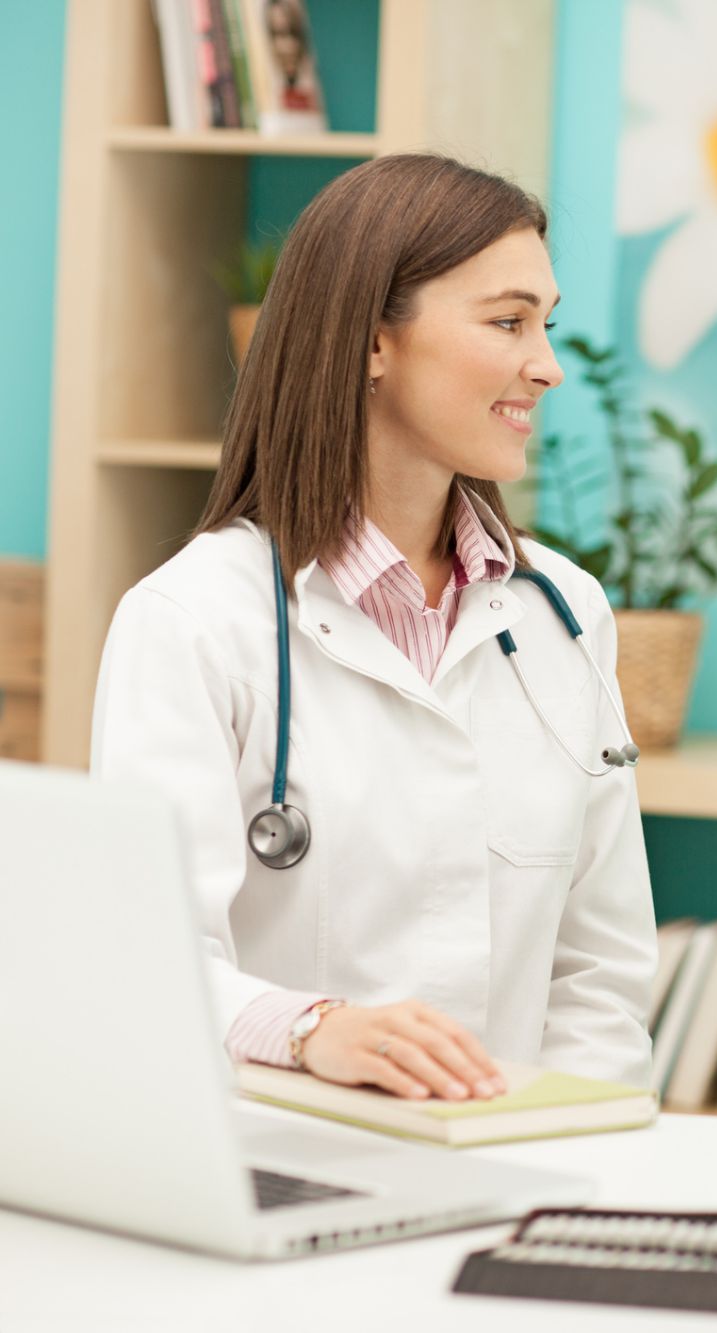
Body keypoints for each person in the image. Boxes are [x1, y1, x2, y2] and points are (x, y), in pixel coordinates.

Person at [91, 154, 658, 1100]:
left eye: (545, 326)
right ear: (370, 341)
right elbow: (146, 957)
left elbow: (599, 968)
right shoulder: (194, 620)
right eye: (508, 322)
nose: (547, 366)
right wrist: (313, 1029)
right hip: (279, 1162)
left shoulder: (567, 613)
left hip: (515, 1167)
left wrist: (567, 1146)